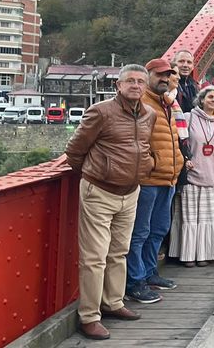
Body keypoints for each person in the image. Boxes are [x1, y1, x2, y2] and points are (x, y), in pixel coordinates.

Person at [65, 64, 156, 340]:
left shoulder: (149, 114)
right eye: (130, 81)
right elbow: (75, 151)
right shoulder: (101, 111)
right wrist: (98, 175)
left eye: (141, 81)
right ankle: (89, 316)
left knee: (119, 251)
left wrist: (148, 165)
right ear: (118, 85)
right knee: (94, 257)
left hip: (131, 192)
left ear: (146, 87)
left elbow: (144, 148)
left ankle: (113, 302)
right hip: (100, 192)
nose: (136, 86)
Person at [125, 59, 184, 305]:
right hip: (149, 179)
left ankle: (150, 273)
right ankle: (135, 282)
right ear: (148, 75)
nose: (164, 79)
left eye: (168, 75)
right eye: (159, 75)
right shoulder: (142, 102)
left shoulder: (167, 103)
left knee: (158, 229)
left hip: (168, 178)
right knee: (140, 232)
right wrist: (151, 163)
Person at [169, 85, 214, 267]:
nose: (213, 100)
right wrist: (183, 159)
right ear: (202, 99)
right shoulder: (189, 117)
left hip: (213, 177)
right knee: (189, 219)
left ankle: (204, 254)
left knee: (208, 220)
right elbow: (178, 141)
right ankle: (188, 255)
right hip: (191, 176)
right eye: (210, 97)